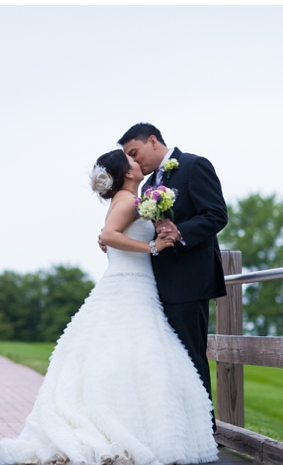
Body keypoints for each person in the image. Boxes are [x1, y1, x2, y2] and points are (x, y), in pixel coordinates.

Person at [0, 149, 218, 465]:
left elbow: (110, 235)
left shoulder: (133, 200)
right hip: (129, 284)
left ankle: (139, 429)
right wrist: (152, 246)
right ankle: (125, 430)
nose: (137, 162)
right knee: (131, 354)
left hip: (138, 283)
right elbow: (109, 236)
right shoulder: (129, 202)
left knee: (136, 357)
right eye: (130, 160)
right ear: (126, 173)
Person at [115, 123, 228, 432]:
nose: (135, 163)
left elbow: (217, 214)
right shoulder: (149, 183)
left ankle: (204, 430)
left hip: (190, 280)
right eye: (130, 159)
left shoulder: (194, 165)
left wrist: (182, 232)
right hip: (156, 283)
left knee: (190, 356)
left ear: (153, 141)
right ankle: (177, 427)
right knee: (167, 360)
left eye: (135, 154)